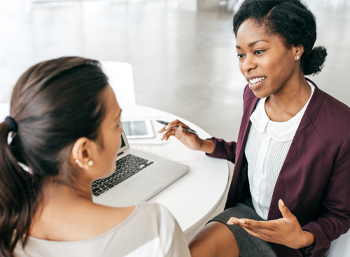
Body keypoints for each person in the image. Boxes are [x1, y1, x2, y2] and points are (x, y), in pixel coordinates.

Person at [159, 0, 350, 256]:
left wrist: (303, 237)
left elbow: (340, 213)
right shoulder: (252, 97)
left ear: (296, 48)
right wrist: (206, 144)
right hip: (247, 218)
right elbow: (260, 154)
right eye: (241, 54)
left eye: (258, 51)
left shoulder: (340, 126)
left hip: (292, 246)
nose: (246, 65)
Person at [0, 57, 191, 257]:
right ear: (84, 153)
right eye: (116, 123)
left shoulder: (8, 228)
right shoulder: (155, 229)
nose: (121, 131)